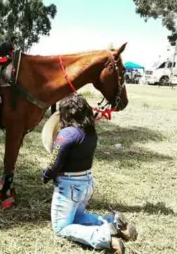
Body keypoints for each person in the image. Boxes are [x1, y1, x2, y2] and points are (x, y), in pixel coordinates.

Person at [40, 93, 138, 253]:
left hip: (69, 187)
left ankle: (105, 237)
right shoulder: (91, 133)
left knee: (61, 227)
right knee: (77, 218)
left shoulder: (66, 134)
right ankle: (115, 223)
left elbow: (54, 163)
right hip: (86, 183)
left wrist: (46, 175)